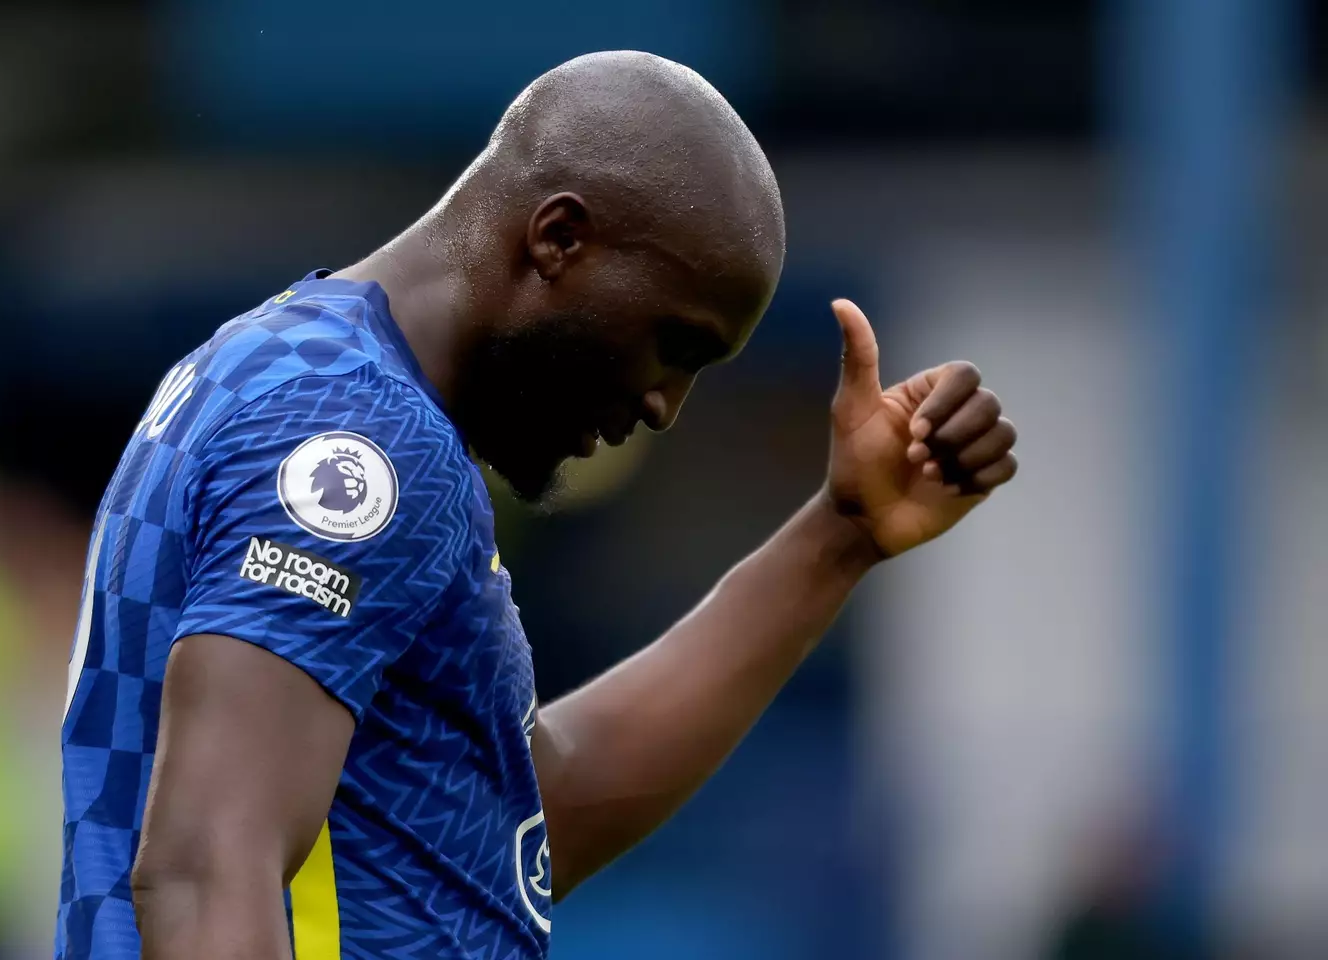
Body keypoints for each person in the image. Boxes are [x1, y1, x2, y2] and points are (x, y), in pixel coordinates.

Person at [57, 50, 1018, 960]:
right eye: (673, 345)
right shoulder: (353, 435)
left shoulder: (297, 376)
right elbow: (205, 868)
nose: (664, 406)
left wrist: (838, 537)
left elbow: (512, 815)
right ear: (559, 239)